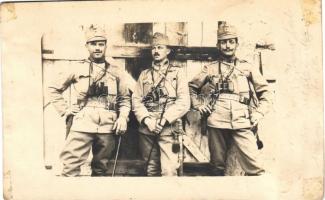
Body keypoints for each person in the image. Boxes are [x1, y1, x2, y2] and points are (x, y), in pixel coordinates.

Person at [188, 23, 273, 176]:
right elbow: (191, 88)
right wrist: (199, 105)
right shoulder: (210, 68)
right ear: (218, 45)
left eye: (231, 41)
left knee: (256, 167)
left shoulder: (247, 67)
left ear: (236, 44)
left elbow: (266, 93)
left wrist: (258, 113)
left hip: (242, 120)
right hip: (217, 121)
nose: (227, 46)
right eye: (223, 42)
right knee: (217, 167)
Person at [48, 24, 131, 176]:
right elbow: (53, 89)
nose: (97, 48)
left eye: (101, 44)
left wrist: (123, 117)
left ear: (106, 46)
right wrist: (65, 111)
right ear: (87, 46)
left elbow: (125, 98)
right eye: (93, 44)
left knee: (101, 168)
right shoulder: (77, 68)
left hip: (108, 125)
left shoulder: (116, 70)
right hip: (82, 123)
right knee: (70, 166)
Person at [132, 32, 190, 176]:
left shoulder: (178, 73)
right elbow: (136, 100)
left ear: (168, 51)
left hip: (169, 129)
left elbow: (184, 101)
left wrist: (164, 120)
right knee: (150, 169)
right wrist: (147, 120)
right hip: (147, 129)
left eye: (160, 47)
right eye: (154, 48)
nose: (156, 51)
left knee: (169, 171)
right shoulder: (144, 75)